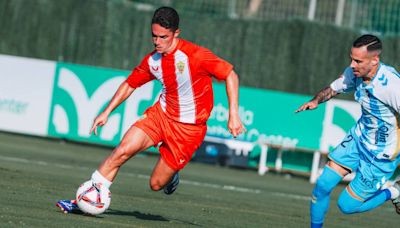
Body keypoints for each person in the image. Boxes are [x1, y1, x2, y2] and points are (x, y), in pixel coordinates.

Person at [56, 6, 245, 213]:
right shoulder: (153, 60)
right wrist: (107, 111)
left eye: (163, 37)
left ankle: (171, 176)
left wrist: (233, 115)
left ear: (176, 33)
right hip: (160, 116)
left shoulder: (196, 56)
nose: (157, 42)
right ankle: (83, 201)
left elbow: (230, 75)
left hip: (188, 130)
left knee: (156, 184)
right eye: (154, 36)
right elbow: (130, 84)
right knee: (122, 151)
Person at [295, 34, 400, 227]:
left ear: (375, 60)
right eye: (351, 58)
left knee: (347, 206)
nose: (352, 64)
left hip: (381, 155)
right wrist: (315, 100)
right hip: (358, 139)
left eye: (358, 61)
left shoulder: (392, 86)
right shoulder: (355, 73)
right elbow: (333, 89)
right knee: (322, 185)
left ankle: (395, 192)